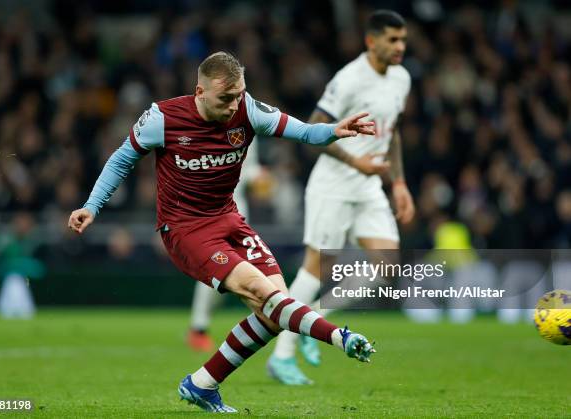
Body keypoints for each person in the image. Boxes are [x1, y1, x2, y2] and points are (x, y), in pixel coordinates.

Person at [68, 51, 377, 413]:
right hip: (185, 230)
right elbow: (122, 158)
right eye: (225, 98)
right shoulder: (162, 118)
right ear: (199, 91)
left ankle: (202, 384)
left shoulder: (249, 110)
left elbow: (305, 132)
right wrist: (91, 205)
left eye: (239, 95)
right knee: (263, 293)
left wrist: (335, 131)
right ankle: (339, 337)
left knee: (276, 308)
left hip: (229, 220)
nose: (234, 105)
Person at [268, 10, 415, 385]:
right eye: (393, 39)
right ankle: (281, 357)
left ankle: (312, 320)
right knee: (316, 268)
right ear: (371, 41)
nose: (400, 46)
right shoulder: (349, 78)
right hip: (333, 184)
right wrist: (355, 161)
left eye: (403, 39)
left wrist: (398, 184)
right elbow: (317, 127)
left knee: (387, 265)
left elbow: (391, 132)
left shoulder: (401, 79)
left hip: (368, 187)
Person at [186, 140, 265, 352]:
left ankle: (201, 327)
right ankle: (199, 328)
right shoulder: (199, 126)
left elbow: (248, 168)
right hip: (207, 210)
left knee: (228, 271)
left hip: (237, 212)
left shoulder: (249, 123)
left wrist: (258, 175)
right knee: (218, 267)